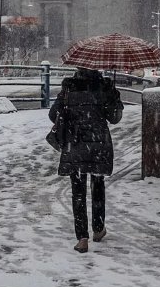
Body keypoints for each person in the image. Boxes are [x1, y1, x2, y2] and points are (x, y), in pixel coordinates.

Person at [48, 67, 124, 253]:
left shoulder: (69, 87)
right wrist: (114, 96)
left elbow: (53, 115)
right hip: (98, 146)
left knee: (78, 192)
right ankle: (98, 229)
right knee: (97, 187)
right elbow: (115, 118)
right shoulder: (104, 87)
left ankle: (82, 238)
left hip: (76, 145)